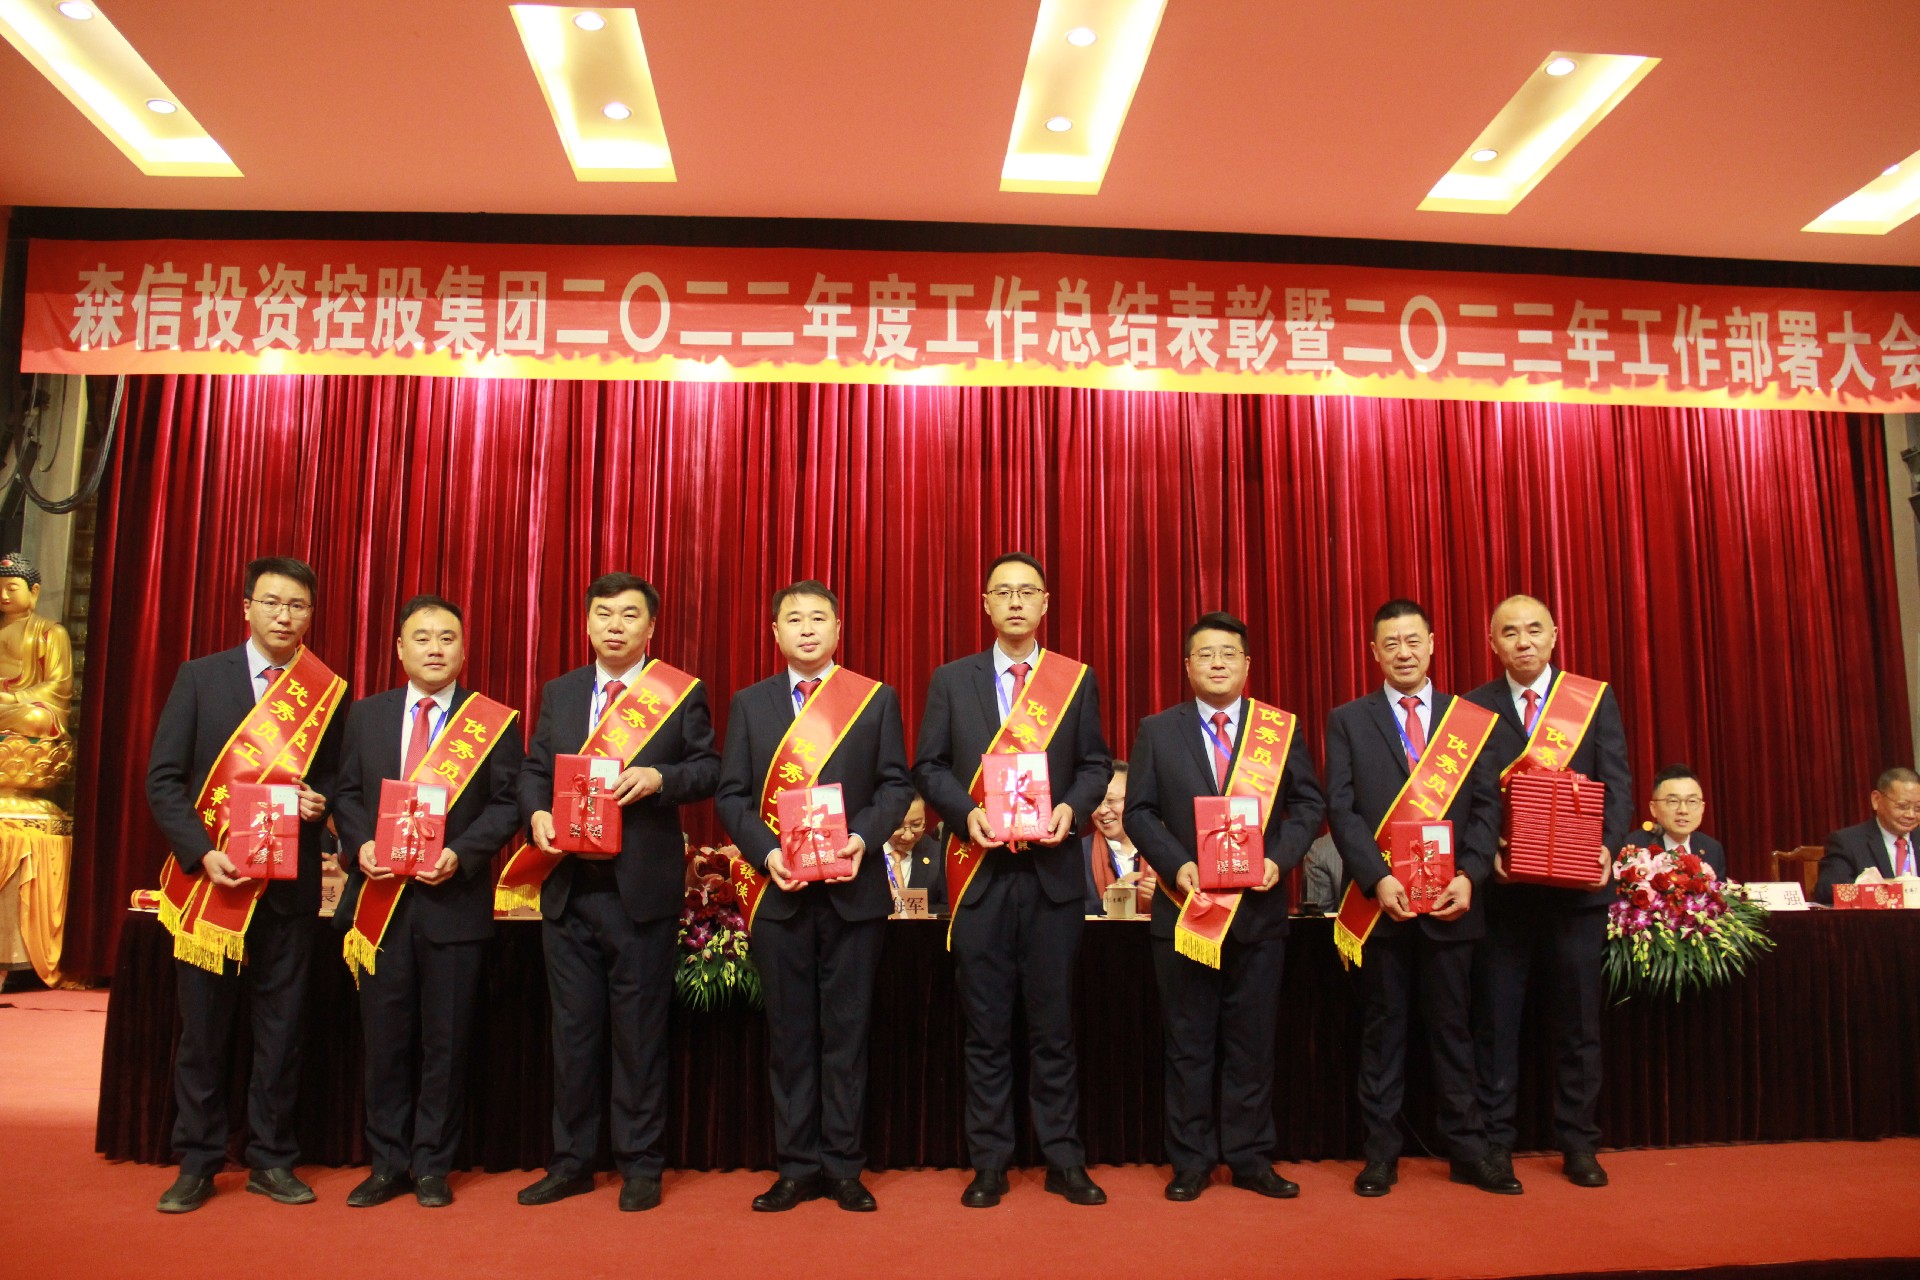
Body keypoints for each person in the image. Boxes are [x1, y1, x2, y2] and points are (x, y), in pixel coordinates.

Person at [511, 573, 719, 1212]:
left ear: (650, 627)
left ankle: (641, 1165)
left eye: (630, 615)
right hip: (570, 888)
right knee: (572, 1036)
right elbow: (534, 770)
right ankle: (572, 1163)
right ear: (587, 623)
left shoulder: (679, 692)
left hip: (641, 892)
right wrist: (536, 813)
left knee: (639, 1035)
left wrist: (660, 778)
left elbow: (709, 769)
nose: (616, 625)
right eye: (604, 614)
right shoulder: (562, 691)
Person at [144, 556, 346, 1213]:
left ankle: (272, 1159)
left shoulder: (325, 692)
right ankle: (197, 1162)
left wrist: (320, 803)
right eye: (272, 602)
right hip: (213, 885)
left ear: (311, 614)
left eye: (298, 606)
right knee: (203, 1032)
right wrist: (201, 854)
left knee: (281, 1031)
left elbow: (338, 779)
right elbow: (164, 779)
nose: (284, 616)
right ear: (247, 607)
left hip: (288, 890)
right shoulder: (201, 678)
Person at [913, 552, 1114, 1208]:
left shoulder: (1073, 680)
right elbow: (929, 766)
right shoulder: (952, 680)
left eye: (1028, 592)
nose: (1017, 602)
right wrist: (965, 814)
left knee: (1054, 1028)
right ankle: (990, 1163)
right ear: (986, 604)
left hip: (1053, 877)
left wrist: (1071, 810)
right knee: (987, 1029)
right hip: (981, 877)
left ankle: (1064, 1160)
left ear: (1046, 603)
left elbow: (1094, 765)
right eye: (1004, 592)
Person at [715, 580, 913, 1213]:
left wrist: (861, 839)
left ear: (838, 629)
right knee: (791, 1037)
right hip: (781, 896)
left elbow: (895, 786)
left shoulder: (874, 700)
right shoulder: (750, 703)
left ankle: (844, 1167)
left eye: (818, 618)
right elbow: (731, 796)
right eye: (794, 619)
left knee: (847, 1036)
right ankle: (797, 1167)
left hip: (854, 893)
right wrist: (766, 854)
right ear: (775, 633)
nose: (806, 628)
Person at [331, 595, 525, 1208]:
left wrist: (462, 854)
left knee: (447, 1042)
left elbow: (508, 805)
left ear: (464, 649)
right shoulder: (367, 715)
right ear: (399, 648)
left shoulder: (491, 721)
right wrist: (359, 844)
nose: (435, 648)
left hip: (454, 905)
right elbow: (345, 794)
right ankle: (387, 1163)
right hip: (381, 904)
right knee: (384, 1041)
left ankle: (433, 1166)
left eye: (447, 638)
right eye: (422, 637)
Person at [1122, 612, 1323, 1201]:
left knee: (1252, 1045)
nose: (1217, 663)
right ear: (1187, 666)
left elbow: (1308, 805)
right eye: (1205, 654)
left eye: (1228, 653)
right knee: (1188, 1044)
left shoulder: (1278, 730)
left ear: (1247, 664)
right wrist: (1175, 865)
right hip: (1185, 911)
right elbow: (1138, 812)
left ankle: (1251, 1157)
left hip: (1258, 915)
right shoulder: (1158, 730)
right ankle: (1191, 1161)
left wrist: (1278, 859)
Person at [1325, 598, 1515, 1198]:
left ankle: (1468, 1150)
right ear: (1374, 652)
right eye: (1391, 643)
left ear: (1432, 643)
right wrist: (1375, 877)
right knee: (1383, 1033)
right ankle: (1380, 1156)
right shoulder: (1348, 720)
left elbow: (1486, 809)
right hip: (1382, 907)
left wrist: (1472, 874)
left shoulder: (1471, 720)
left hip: (1452, 905)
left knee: (1455, 1031)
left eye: (1413, 641)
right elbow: (1342, 810)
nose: (1403, 653)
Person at [1465, 594, 1630, 1190]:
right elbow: (1469, 798)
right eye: (1510, 632)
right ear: (1494, 643)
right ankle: (1495, 1144)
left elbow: (1618, 783)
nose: (1524, 641)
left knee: (1578, 1025)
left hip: (1576, 897)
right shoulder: (1473, 708)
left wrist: (1607, 846)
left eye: (1534, 629)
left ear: (1555, 634)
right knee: (1495, 1025)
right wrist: (1487, 852)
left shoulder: (1591, 700)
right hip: (1505, 899)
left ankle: (1579, 1143)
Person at [1814, 767, 1920, 903]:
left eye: (1918, 808)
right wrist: (1883, 888)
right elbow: (1828, 890)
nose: (1911, 815)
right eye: (1902, 806)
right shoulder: (1847, 842)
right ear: (1876, 800)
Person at [1631, 764, 1727, 881]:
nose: (1683, 810)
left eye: (1692, 801)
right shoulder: (1634, 847)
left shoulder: (1712, 849)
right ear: (1653, 808)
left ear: (1702, 807)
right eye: (1673, 801)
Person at [1084, 763, 1154, 916]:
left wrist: (1163, 901)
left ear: (1134, 799)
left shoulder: (1162, 849)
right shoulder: (1080, 853)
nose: (1102, 810)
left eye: (1111, 800)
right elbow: (1067, 912)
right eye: (1096, 802)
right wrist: (1111, 901)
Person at [881, 795, 947, 914]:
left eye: (916, 825)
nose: (908, 836)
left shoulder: (939, 854)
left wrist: (910, 909)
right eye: (897, 826)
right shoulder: (864, 852)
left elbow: (950, 908)